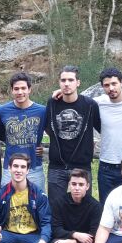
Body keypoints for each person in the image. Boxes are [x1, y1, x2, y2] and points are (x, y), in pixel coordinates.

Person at [45, 66, 101, 198]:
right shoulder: (52, 103)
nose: (66, 83)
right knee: (56, 208)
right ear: (59, 83)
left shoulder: (90, 105)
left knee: (82, 208)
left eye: (71, 80)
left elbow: (101, 127)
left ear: (78, 82)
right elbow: (48, 127)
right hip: (57, 166)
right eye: (63, 80)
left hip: (82, 165)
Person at [41, 168, 101, 243]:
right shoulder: (59, 202)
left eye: (81, 184)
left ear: (87, 186)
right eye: (74, 184)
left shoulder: (95, 206)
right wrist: (74, 235)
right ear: (69, 185)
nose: (77, 188)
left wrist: (71, 241)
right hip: (65, 238)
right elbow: (56, 229)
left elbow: (94, 235)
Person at [92, 67, 122, 202]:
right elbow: (77, 100)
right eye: (107, 85)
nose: (111, 88)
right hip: (105, 166)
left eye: (114, 84)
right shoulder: (98, 102)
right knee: (106, 208)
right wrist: (60, 91)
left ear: (121, 83)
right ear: (102, 87)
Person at [0, 72, 47, 191]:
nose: (20, 92)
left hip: (34, 168)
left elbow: (54, 134)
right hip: (10, 168)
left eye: (23, 88)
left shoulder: (42, 111)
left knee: (38, 204)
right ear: (12, 90)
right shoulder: (2, 110)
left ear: (29, 89)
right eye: (16, 89)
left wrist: (46, 149)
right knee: (6, 204)